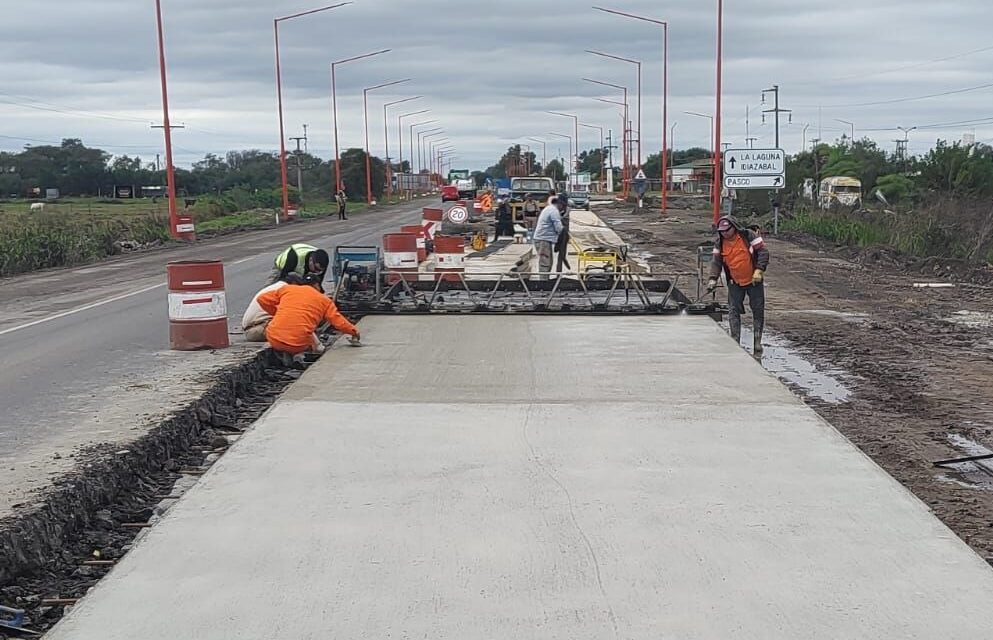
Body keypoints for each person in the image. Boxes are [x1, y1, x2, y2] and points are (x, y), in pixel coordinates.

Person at [256, 274, 360, 364]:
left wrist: (275, 313)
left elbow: (262, 299)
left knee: (279, 327)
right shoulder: (324, 300)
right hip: (298, 345)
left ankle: (286, 353)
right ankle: (300, 354)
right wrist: (354, 332)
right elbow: (338, 322)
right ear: (317, 286)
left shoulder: (288, 289)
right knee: (307, 331)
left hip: (274, 339)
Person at [707, 215, 770, 356]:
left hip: (754, 281)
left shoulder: (748, 236)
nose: (724, 233)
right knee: (733, 310)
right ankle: (735, 341)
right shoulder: (720, 243)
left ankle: (757, 342)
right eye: (722, 231)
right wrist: (713, 279)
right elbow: (716, 262)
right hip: (735, 282)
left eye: (727, 230)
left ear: (734, 228)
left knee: (758, 310)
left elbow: (763, 252)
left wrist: (759, 270)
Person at [242, 275, 322, 352]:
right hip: (257, 329)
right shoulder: (286, 291)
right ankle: (309, 349)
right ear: (294, 284)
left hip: (254, 328)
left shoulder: (277, 287)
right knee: (295, 326)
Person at [533, 196, 564, 279]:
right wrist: (565, 234)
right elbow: (558, 227)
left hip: (545, 240)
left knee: (548, 262)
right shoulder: (553, 211)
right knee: (545, 263)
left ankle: (545, 281)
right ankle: (543, 284)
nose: (563, 209)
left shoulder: (549, 208)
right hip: (543, 240)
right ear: (560, 204)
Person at [554, 195, 571, 273]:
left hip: (564, 233)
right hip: (556, 234)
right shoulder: (555, 209)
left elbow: (564, 217)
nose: (561, 206)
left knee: (562, 252)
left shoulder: (567, 209)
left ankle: (559, 270)